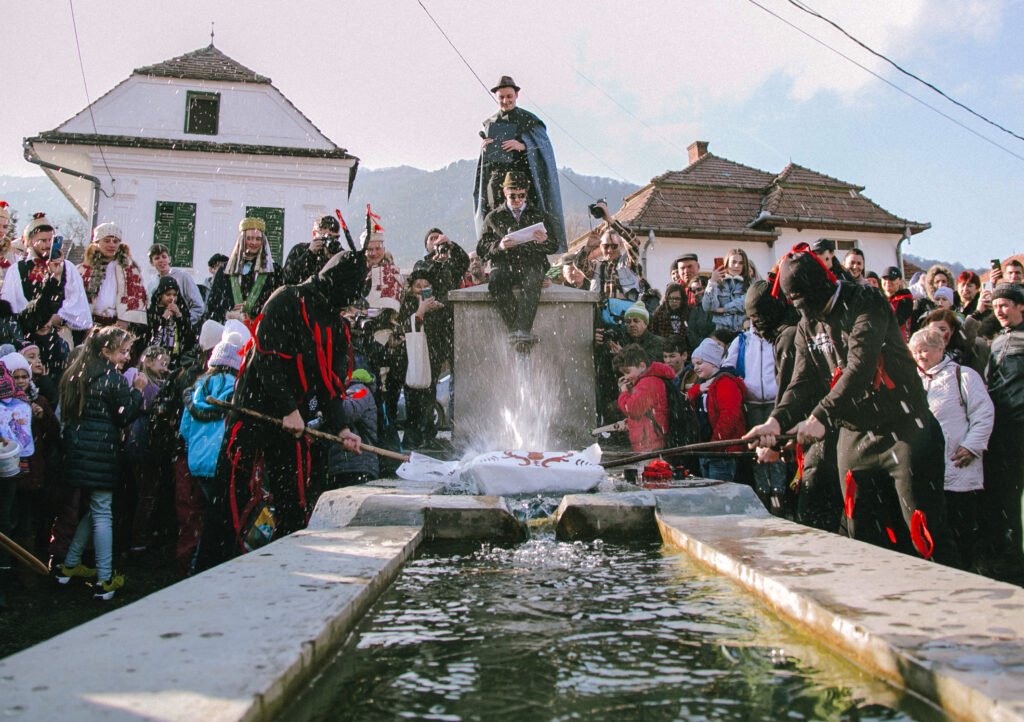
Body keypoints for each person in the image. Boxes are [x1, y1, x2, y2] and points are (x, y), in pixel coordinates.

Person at [745, 245, 957, 565]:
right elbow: (801, 382)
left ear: (824, 286)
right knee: (859, 533)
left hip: (904, 428)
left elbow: (860, 367)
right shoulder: (806, 325)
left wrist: (820, 415)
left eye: (808, 302)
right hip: (855, 435)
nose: (807, 311)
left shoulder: (867, 302)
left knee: (922, 531)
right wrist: (776, 422)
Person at [197, 248, 365, 570]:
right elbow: (266, 359)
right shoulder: (286, 299)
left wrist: (341, 427)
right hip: (255, 411)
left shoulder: (334, 322)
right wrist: (288, 408)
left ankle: (287, 569)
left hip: (294, 421)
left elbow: (330, 385)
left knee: (294, 501)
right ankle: (215, 568)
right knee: (233, 496)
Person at [55, 327, 146, 600]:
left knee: (93, 509)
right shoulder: (112, 378)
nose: (127, 356)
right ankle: (105, 578)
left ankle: (69, 566)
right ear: (106, 351)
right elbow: (125, 415)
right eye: (122, 351)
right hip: (102, 452)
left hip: (78, 450)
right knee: (103, 511)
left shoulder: (76, 374)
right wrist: (138, 391)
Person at [910, 328, 993, 571]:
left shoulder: (963, 375)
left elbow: (983, 413)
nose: (920, 356)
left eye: (924, 350)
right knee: (933, 528)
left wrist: (971, 446)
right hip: (926, 470)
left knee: (961, 527)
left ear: (940, 349)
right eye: (915, 352)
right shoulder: (912, 379)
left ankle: (966, 572)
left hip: (959, 465)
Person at [473, 75, 566, 254]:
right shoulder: (490, 123)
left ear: (516, 95)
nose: (505, 101)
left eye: (509, 96)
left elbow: (544, 148)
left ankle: (530, 253)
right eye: (501, 97)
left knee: (527, 217)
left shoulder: (529, 120)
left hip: (524, 180)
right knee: (496, 219)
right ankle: (499, 251)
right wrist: (485, 149)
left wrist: (524, 146)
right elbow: (485, 163)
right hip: (497, 183)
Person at [178, 329, 243, 577]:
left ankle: (195, 565)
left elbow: (185, 430)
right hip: (223, 461)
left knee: (205, 516)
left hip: (197, 463)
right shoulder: (236, 390)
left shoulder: (196, 391)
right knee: (222, 519)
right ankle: (207, 568)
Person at [476, 171, 558, 345]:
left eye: (521, 196)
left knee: (533, 280)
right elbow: (482, 248)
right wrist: (499, 246)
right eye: (513, 196)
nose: (518, 200)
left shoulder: (538, 214)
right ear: (505, 193)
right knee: (496, 281)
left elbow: (554, 246)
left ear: (526, 193)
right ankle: (517, 330)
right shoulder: (493, 217)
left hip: (532, 263)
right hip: (505, 264)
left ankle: (521, 329)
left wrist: (544, 241)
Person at [980, 283, 1024, 583]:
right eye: (996, 306)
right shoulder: (996, 341)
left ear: (1022, 307)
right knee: (1005, 496)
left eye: (1006, 304)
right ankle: (1011, 555)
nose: (999, 310)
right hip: (1002, 430)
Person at [725, 320, 787, 512]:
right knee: (756, 450)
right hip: (751, 403)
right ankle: (762, 493)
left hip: (774, 401)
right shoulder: (742, 340)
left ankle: (779, 494)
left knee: (776, 448)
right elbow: (728, 365)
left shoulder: (776, 338)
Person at [2, 213, 91, 345]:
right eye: (43, 241)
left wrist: (57, 317)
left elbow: (77, 301)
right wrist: (33, 318)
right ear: (31, 242)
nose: (48, 245)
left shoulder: (67, 267)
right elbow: (9, 304)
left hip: (60, 333)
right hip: (28, 334)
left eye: (51, 240)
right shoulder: (17, 269)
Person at [204, 217, 283, 326]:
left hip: (260, 328)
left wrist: (256, 309)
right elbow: (213, 303)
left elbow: (277, 303)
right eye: (249, 238)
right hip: (229, 328)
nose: (254, 243)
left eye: (258, 239)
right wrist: (228, 308)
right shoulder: (225, 270)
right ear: (242, 240)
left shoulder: (273, 270)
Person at [398, 269, 445, 449]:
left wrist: (438, 310)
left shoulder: (435, 306)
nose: (422, 289)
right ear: (411, 289)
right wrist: (420, 311)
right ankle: (412, 436)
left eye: (426, 286)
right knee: (413, 397)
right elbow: (406, 327)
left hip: (431, 357)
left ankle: (428, 434)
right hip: (411, 357)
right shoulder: (407, 304)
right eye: (418, 286)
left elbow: (439, 334)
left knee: (429, 396)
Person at [688, 338, 746, 481]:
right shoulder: (702, 384)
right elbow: (687, 402)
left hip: (722, 452)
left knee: (719, 491)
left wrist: (717, 444)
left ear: (713, 362)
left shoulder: (725, 383)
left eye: (700, 363)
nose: (695, 368)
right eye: (694, 364)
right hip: (707, 450)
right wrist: (697, 390)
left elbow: (729, 416)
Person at [78, 222, 149, 332]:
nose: (111, 245)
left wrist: (125, 320)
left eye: (115, 241)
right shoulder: (84, 269)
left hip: (118, 324)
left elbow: (137, 295)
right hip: (91, 323)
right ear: (97, 243)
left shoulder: (129, 270)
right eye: (106, 241)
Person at [613, 344, 675, 453]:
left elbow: (632, 410)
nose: (626, 377)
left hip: (651, 444)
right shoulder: (649, 380)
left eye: (627, 372)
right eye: (623, 373)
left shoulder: (647, 383)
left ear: (642, 366)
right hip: (651, 442)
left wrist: (624, 392)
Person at [325, 369, 379, 488]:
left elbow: (348, 410)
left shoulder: (360, 389)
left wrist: (326, 406)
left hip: (357, 464)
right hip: (344, 464)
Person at [146, 276, 197, 369]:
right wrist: (164, 318)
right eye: (168, 294)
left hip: (176, 357)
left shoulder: (181, 310)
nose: (172, 298)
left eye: (174, 295)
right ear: (160, 294)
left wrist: (179, 315)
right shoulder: (152, 312)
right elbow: (150, 332)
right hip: (156, 355)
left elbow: (189, 335)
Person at [147, 243, 205, 325]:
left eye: (164, 257)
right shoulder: (152, 284)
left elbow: (198, 306)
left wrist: (184, 321)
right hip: (160, 329)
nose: (161, 260)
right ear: (151, 262)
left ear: (169, 259)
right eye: (157, 258)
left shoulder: (182, 276)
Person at [703, 248, 754, 333]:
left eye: (741, 263)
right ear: (727, 263)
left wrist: (724, 309)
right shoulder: (718, 283)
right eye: (733, 262)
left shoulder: (749, 283)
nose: (737, 266)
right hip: (722, 332)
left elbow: (745, 303)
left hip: (743, 331)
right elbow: (708, 307)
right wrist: (712, 281)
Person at [283, 214, 343, 285]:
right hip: (302, 292)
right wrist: (309, 254)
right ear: (314, 234)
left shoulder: (340, 254)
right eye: (326, 237)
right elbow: (287, 277)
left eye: (335, 238)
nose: (330, 241)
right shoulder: (300, 250)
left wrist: (333, 260)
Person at [589, 230, 640, 301]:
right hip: (601, 310)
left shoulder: (627, 263)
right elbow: (579, 264)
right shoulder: (595, 266)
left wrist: (613, 223)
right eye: (605, 246)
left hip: (625, 310)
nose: (609, 250)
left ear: (621, 246)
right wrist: (588, 247)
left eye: (614, 246)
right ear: (600, 246)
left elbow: (635, 245)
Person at [881, 266, 915, 341]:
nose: (888, 282)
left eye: (891, 279)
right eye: (885, 279)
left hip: (900, 342)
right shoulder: (879, 298)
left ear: (900, 281)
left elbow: (897, 321)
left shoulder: (905, 300)